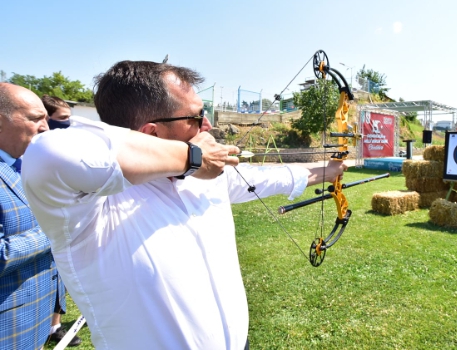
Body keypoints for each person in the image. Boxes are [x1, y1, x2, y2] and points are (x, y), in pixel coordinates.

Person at [22, 60, 347, 349]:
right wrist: (191, 158)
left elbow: (269, 177)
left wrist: (328, 170)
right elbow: (49, 153)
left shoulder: (209, 179)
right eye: (196, 117)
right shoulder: (91, 207)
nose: (207, 126)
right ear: (151, 132)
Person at [0, 82, 60, 349]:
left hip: (34, 319)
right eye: (36, 118)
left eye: (46, 118)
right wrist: (56, 229)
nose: (45, 127)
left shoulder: (28, 165)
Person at [38, 94, 84, 346]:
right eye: (64, 119)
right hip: (45, 235)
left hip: (59, 243)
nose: (70, 124)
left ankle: (54, 326)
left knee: (59, 279)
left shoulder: (59, 154)